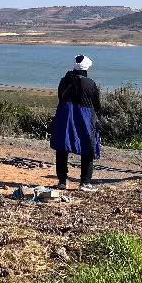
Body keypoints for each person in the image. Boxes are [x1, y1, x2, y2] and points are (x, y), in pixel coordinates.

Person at [51, 54, 102, 191]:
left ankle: (62, 181)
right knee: (88, 148)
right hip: (84, 118)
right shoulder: (90, 83)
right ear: (86, 69)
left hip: (64, 116)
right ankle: (85, 182)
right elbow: (97, 104)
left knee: (62, 148)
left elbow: (60, 97)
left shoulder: (64, 81)